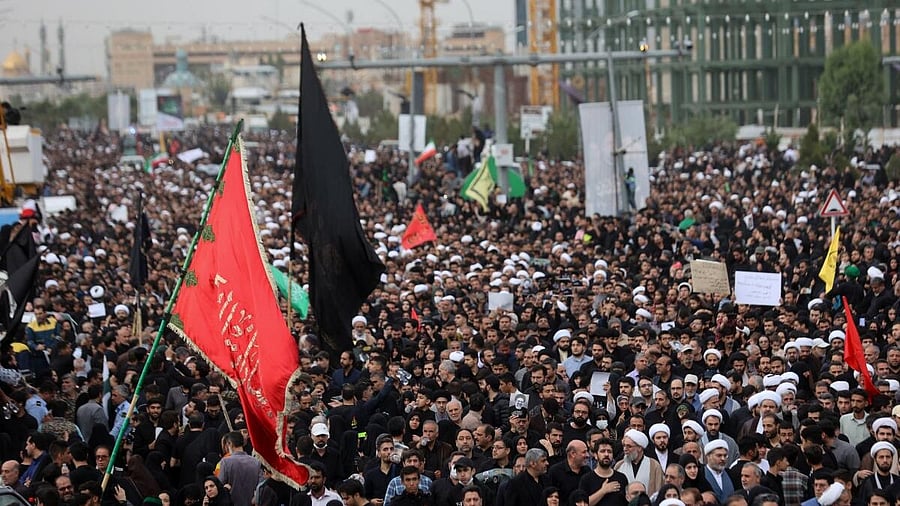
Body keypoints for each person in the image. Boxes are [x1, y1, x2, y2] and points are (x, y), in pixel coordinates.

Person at [579, 437, 628, 506]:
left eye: (609, 451)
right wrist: (603, 491)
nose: (606, 454)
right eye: (602, 451)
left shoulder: (621, 478)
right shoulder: (586, 479)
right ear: (596, 455)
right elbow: (583, 504)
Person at [216, 431, 260, 506]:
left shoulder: (225, 462)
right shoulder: (256, 462)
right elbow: (260, 486)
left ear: (230, 444)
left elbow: (219, 486)